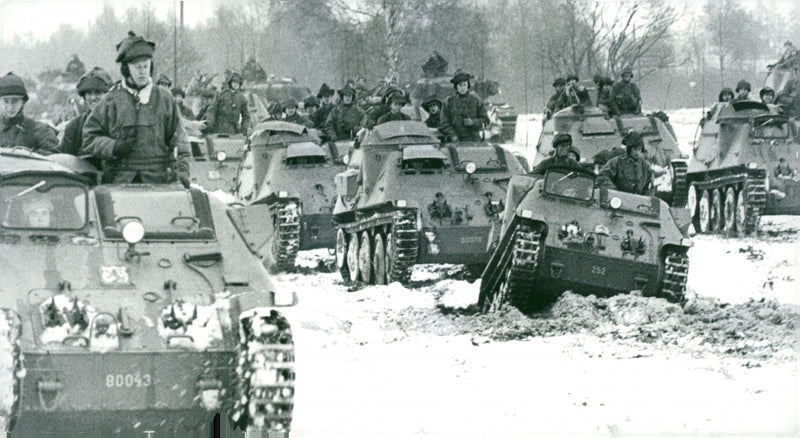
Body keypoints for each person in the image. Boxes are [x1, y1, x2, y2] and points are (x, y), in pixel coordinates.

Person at [81, 31, 190, 186]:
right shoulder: (110, 101)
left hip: (158, 183)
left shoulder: (165, 99)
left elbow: (181, 143)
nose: (142, 71)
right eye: (137, 67)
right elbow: (89, 138)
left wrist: (181, 176)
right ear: (126, 69)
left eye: (145, 66)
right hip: (118, 183)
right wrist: (113, 147)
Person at [59, 67, 113, 157]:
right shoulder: (74, 127)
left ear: (108, 95)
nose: (92, 98)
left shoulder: (119, 123)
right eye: (89, 93)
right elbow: (64, 160)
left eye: (98, 92)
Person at [0, 72, 59, 154]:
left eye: (15, 101)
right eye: (6, 101)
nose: (10, 106)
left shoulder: (40, 130)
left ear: (23, 102)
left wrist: (28, 154)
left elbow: (54, 155)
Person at [598, 131, 653, 195]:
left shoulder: (645, 166)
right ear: (629, 149)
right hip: (619, 199)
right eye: (635, 149)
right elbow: (602, 176)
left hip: (638, 200)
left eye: (639, 149)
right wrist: (613, 191)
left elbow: (648, 186)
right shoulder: (617, 162)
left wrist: (646, 198)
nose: (637, 152)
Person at [440, 70, 490, 142]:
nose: (463, 88)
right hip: (455, 140)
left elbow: (486, 121)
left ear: (468, 85)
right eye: (460, 85)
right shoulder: (448, 102)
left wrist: (473, 122)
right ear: (456, 87)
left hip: (474, 139)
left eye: (464, 85)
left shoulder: (476, 101)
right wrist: (452, 135)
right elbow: (444, 123)